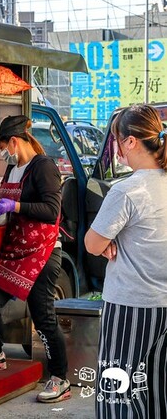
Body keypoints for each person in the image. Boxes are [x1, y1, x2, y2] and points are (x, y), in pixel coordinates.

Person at [0, 114, 70, 403]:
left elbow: (51, 210)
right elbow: (6, 204)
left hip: (42, 253)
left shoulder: (43, 167)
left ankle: (59, 378)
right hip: (15, 251)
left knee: (42, 318)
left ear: (15, 142)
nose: (2, 152)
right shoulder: (11, 169)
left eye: (3, 146)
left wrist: (14, 204)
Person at [84, 104, 167, 418]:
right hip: (163, 304)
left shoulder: (128, 190)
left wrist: (109, 239)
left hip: (132, 304)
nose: (115, 147)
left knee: (119, 394)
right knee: (157, 389)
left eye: (116, 139)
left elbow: (93, 244)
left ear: (131, 142)